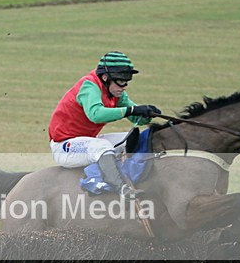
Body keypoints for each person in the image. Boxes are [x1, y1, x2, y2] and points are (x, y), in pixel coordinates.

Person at [48, 51, 161, 198]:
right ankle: (121, 188)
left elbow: (134, 117)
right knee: (102, 147)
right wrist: (132, 110)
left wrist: (147, 115)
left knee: (133, 138)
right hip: (65, 146)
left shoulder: (114, 91)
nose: (124, 86)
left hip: (87, 140)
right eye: (121, 80)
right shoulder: (89, 87)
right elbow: (96, 114)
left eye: (127, 80)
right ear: (105, 77)